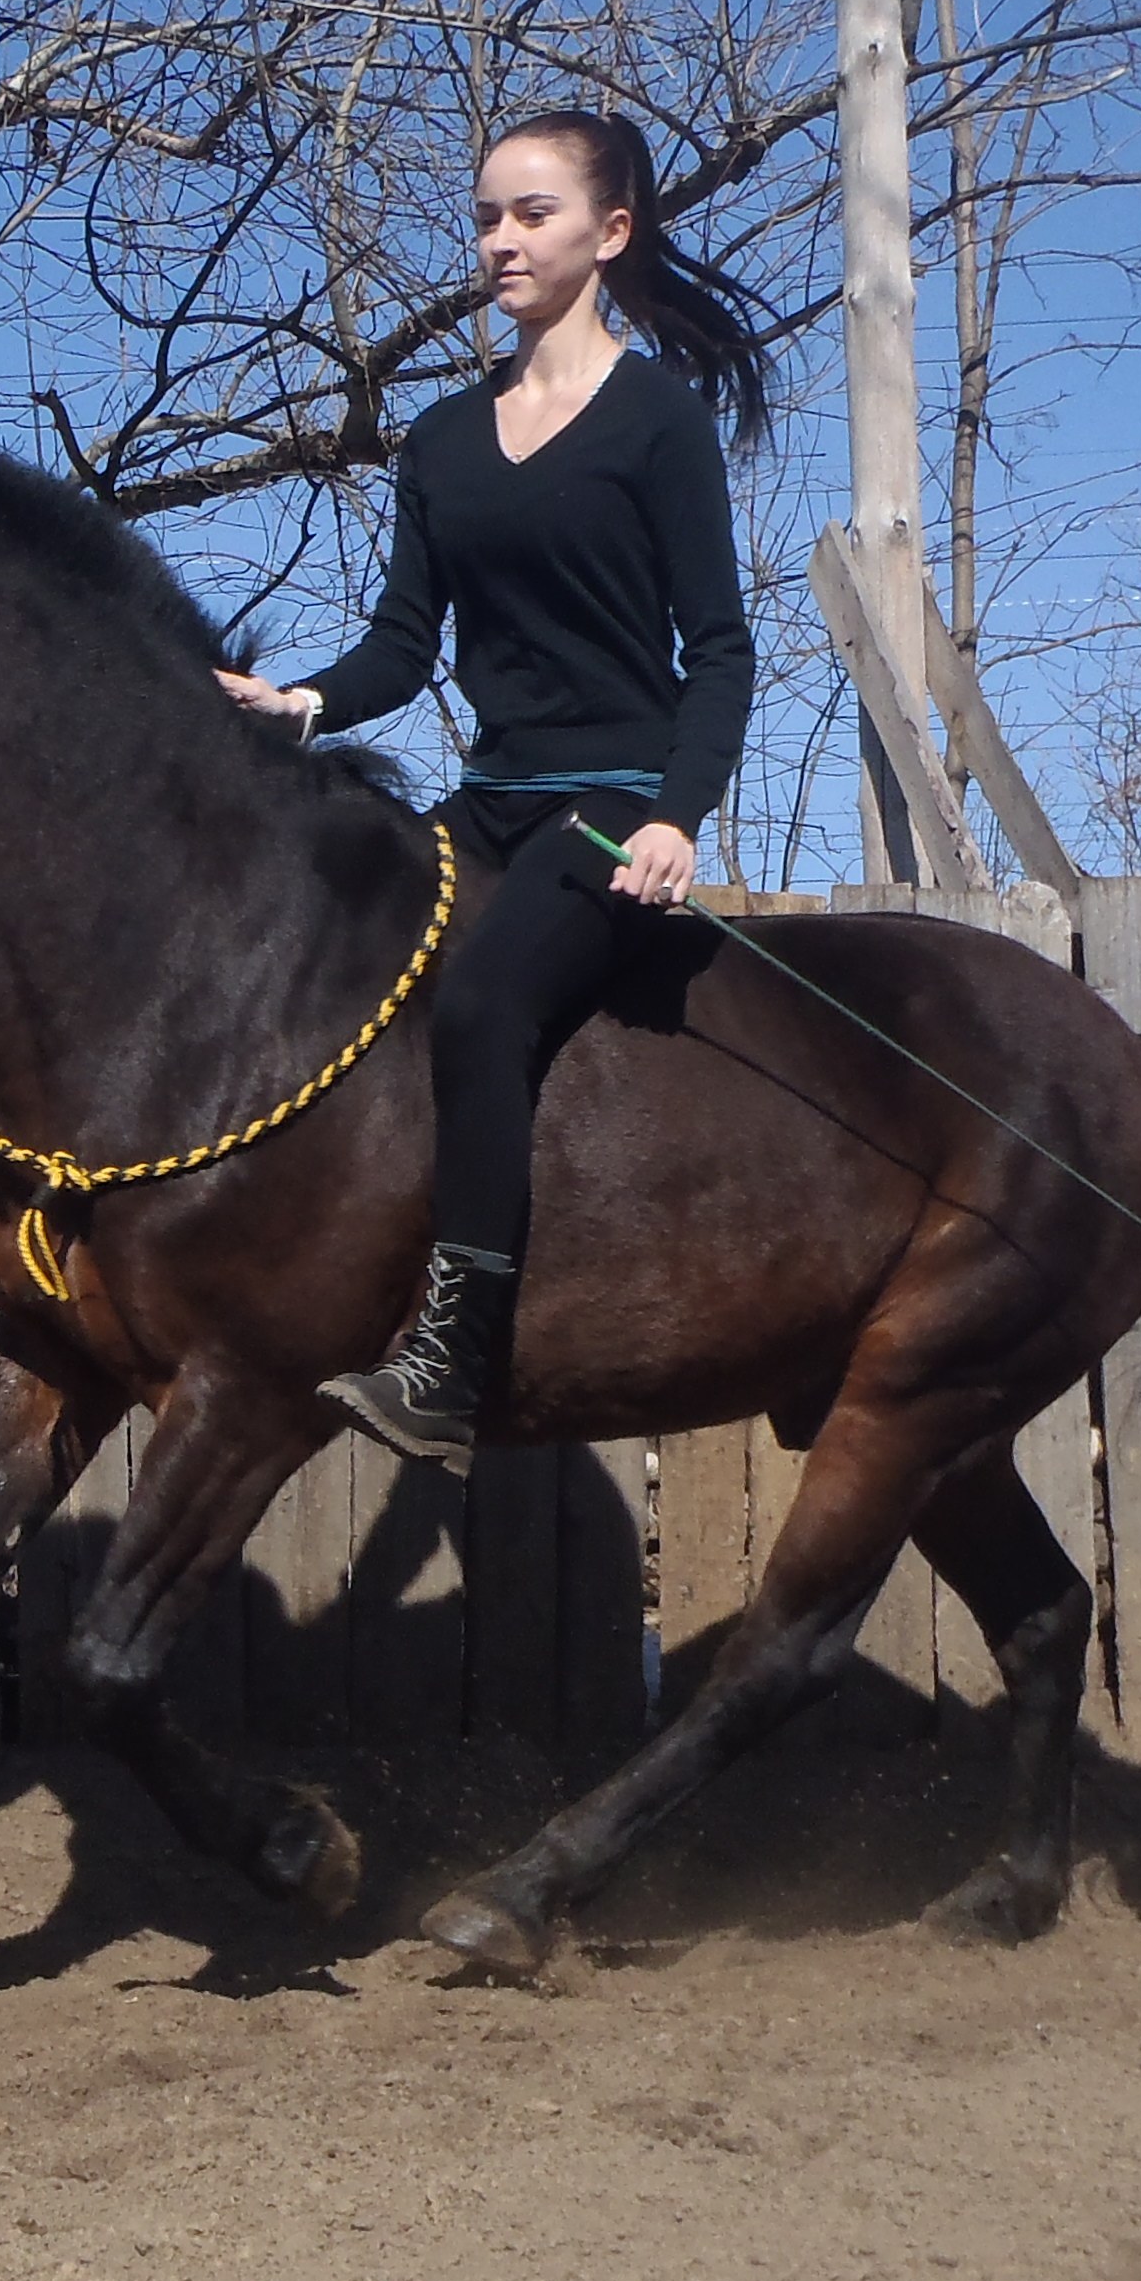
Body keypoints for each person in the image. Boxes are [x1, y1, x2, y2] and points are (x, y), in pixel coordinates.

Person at [219, 107, 767, 1464]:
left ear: (610, 233)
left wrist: (672, 817)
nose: (501, 240)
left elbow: (724, 651)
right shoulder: (446, 441)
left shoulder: (657, 424)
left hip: (606, 807)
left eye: (532, 214)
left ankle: (454, 1365)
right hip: (488, 805)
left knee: (483, 1004)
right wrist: (304, 705)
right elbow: (407, 645)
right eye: (486, 216)